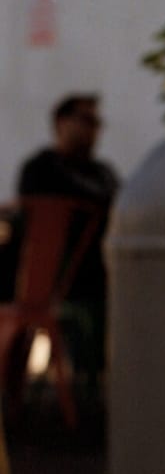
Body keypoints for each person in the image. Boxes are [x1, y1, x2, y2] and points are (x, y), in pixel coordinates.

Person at [10, 94, 119, 379]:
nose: (93, 129)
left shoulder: (103, 174)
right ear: (62, 122)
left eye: (96, 123)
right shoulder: (43, 168)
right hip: (50, 280)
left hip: (97, 278)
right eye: (86, 120)